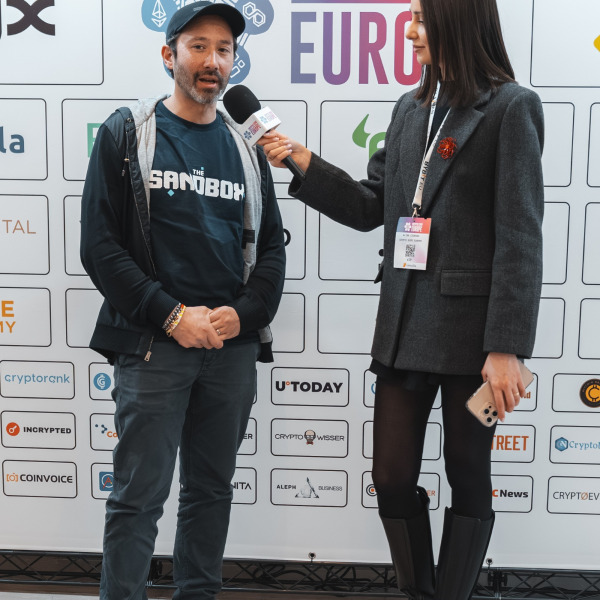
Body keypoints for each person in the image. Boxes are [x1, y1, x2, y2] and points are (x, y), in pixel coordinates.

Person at [259, 0, 543, 598]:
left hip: (476, 346)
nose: (409, 31)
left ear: (457, 19)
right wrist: (301, 161)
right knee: (390, 478)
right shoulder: (410, 108)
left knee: (468, 474)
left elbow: (520, 237)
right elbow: (372, 206)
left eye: (420, 17)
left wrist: (507, 348)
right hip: (403, 329)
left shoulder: (511, 107)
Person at [80, 3, 285, 599]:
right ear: (169, 55)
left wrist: (243, 314)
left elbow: (272, 250)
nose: (213, 61)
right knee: (137, 497)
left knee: (210, 492)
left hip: (229, 349)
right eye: (199, 46)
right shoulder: (128, 133)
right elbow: (100, 246)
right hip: (154, 345)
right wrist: (171, 315)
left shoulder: (247, 148)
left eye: (224, 49)